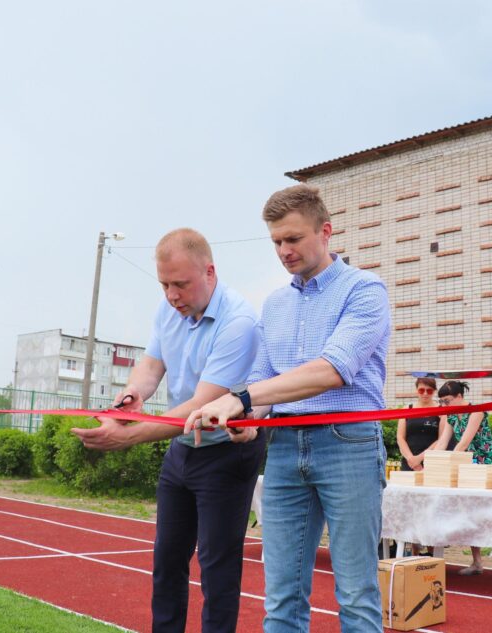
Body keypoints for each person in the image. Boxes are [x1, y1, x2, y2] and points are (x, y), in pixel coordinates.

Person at [186, 184, 391, 633]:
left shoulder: (366, 290)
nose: (284, 250)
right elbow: (262, 381)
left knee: (356, 595)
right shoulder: (275, 304)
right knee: (280, 598)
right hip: (282, 447)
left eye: (293, 239)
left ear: (326, 231)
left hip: (349, 444)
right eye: (276, 241)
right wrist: (247, 421)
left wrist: (241, 399)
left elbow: (333, 369)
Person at [72, 228, 263, 633]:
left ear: (210, 272)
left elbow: (201, 406)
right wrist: (131, 397)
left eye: (181, 284)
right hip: (183, 448)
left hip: (227, 452)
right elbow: (151, 366)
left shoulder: (240, 321)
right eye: (164, 284)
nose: (172, 295)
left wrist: (126, 437)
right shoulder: (168, 310)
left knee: (217, 567)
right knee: (167, 561)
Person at [438, 380, 492, 577]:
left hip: (486, 462)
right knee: (471, 513)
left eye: (447, 401)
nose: (444, 406)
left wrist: (446, 463)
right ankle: (477, 561)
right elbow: (442, 443)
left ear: (459, 396)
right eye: (441, 402)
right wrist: (430, 463)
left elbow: (463, 443)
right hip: (467, 464)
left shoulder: (476, 411)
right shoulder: (451, 417)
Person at [396, 377, 446, 472]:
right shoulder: (407, 410)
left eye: (429, 391)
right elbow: (400, 438)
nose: (425, 393)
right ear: (416, 390)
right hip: (409, 462)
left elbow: (442, 439)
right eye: (421, 390)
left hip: (431, 462)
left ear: (434, 391)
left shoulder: (441, 411)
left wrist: (419, 458)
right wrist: (411, 460)